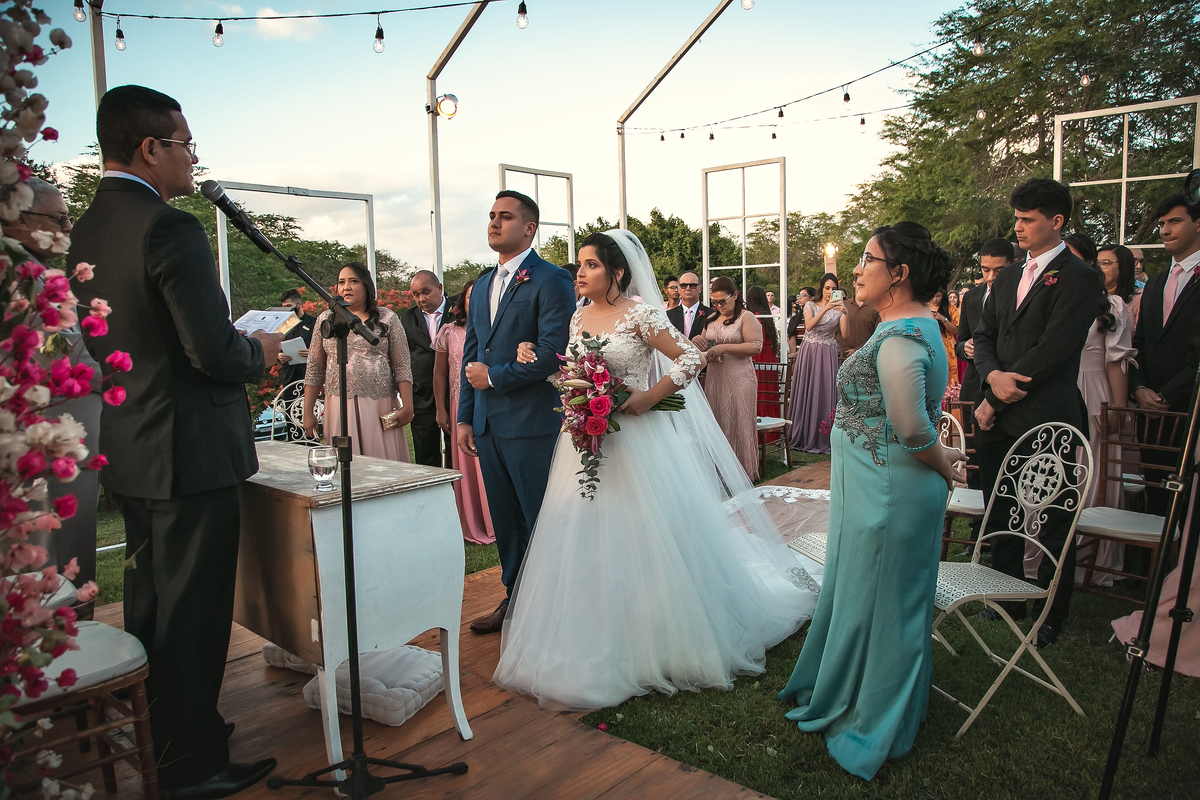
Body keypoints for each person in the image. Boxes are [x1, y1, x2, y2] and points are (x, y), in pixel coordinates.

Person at [496, 230, 817, 711]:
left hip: (636, 439)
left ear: (617, 272)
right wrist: (538, 362)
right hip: (584, 438)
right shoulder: (579, 315)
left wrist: (650, 394)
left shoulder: (640, 314)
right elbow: (569, 370)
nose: (580, 272)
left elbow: (690, 356)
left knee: (641, 529)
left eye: (590, 265)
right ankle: (591, 624)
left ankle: (657, 629)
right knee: (581, 525)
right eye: (579, 265)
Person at [68, 85, 281, 798]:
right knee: (193, 617)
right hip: (190, 454)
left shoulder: (86, 227)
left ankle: (168, 742)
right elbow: (213, 354)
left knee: (151, 610)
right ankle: (193, 768)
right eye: (187, 143)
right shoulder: (169, 228)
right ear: (151, 148)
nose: (194, 158)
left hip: (130, 448)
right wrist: (263, 353)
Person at [779, 222, 963, 781]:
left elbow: (911, 426)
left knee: (887, 606)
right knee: (864, 594)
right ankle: (854, 688)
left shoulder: (904, 334)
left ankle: (879, 719)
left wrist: (946, 464)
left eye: (868, 260)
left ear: (899, 274)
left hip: (891, 494)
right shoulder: (902, 326)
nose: (856, 270)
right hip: (872, 487)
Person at [972, 177, 1102, 649]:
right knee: (1000, 510)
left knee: (1052, 517)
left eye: (1028, 220)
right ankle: (1006, 600)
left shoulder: (1082, 279)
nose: (1019, 227)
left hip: (1049, 414)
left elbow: (1055, 348)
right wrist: (990, 377)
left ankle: (1050, 609)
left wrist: (997, 393)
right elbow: (984, 336)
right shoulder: (1007, 277)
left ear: (1057, 221)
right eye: (1018, 219)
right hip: (999, 415)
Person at [458, 190, 575, 635]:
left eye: (505, 217)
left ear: (530, 228)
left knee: (540, 516)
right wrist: (467, 415)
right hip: (488, 424)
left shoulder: (550, 280)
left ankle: (556, 603)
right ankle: (516, 598)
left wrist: (497, 378)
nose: (494, 223)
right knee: (505, 520)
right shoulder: (483, 284)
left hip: (532, 422)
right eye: (491, 216)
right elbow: (472, 353)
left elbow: (553, 352)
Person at [3, 178, 103, 597]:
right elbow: (67, 365)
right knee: (59, 557)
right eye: (57, 217)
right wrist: (127, 369)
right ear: (15, 217)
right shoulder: (31, 279)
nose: (67, 226)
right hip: (53, 441)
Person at [1128, 193, 1200, 516]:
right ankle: (1154, 564)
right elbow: (1140, 343)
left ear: (1198, 225)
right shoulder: (1154, 284)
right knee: (1156, 498)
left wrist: (1167, 394)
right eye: (1161, 224)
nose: (1165, 230)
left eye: (1175, 221)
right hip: (1150, 414)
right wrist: (1140, 389)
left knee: (1188, 503)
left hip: (1189, 409)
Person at [302, 263, 415, 460]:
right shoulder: (325, 320)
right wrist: (308, 411)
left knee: (380, 463)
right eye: (341, 282)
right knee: (344, 463)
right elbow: (314, 368)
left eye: (353, 281)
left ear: (366, 286)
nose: (346, 287)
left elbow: (402, 365)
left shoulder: (388, 319)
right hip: (338, 405)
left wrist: (407, 406)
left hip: (379, 404)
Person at [1072, 248, 1136, 586]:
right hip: (1062, 388)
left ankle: (1092, 561)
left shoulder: (1111, 305)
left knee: (1094, 468)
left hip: (1095, 391)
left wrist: (1118, 411)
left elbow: (1116, 362)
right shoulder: (1064, 300)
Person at [433, 278, 495, 545]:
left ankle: (495, 520)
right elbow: (439, 372)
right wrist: (441, 409)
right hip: (459, 403)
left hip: (489, 400)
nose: (475, 301)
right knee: (465, 462)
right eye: (470, 296)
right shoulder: (449, 331)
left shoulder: (494, 329)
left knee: (487, 462)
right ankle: (470, 521)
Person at [693, 278, 765, 481]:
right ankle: (718, 472)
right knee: (716, 421)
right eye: (714, 302)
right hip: (716, 377)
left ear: (735, 295)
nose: (719, 306)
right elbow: (707, 349)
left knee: (739, 421)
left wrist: (723, 348)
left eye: (722, 301)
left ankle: (744, 471)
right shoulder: (710, 319)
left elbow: (755, 346)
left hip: (740, 377)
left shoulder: (746, 317)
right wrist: (697, 341)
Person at [788, 274, 847, 454]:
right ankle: (803, 434)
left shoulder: (839, 309)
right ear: (821, 288)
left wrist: (845, 313)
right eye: (827, 288)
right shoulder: (810, 305)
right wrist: (825, 308)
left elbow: (845, 335)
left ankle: (824, 434)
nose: (830, 292)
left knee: (825, 390)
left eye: (833, 288)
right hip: (809, 351)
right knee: (807, 389)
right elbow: (809, 326)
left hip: (827, 352)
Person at [401, 269, 451, 468]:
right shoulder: (407, 318)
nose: (421, 299)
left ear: (439, 288)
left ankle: (456, 494)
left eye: (426, 292)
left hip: (453, 393)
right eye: (415, 294)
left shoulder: (458, 312)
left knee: (455, 451)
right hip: (421, 394)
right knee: (425, 454)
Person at [276, 288, 316, 440]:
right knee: (292, 424)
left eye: (288, 307)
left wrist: (312, 353)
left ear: (299, 304)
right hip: (290, 379)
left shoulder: (314, 323)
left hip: (309, 378)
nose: (285, 310)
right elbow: (276, 348)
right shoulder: (284, 326)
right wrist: (279, 356)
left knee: (313, 418)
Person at [834, 286, 881, 359]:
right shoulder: (844, 305)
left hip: (867, 356)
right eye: (859, 283)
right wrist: (846, 349)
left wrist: (856, 350)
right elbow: (836, 331)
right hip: (845, 357)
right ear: (854, 284)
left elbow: (877, 333)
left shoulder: (875, 307)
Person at [665, 271, 713, 339]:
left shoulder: (711, 315)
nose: (688, 288)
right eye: (683, 285)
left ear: (700, 288)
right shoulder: (668, 316)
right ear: (678, 289)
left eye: (693, 285)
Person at [928, 289, 959, 384]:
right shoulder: (923, 308)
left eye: (938, 296)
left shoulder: (951, 309)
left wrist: (943, 319)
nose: (935, 299)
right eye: (933, 296)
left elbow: (956, 330)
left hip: (946, 346)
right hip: (928, 343)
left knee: (947, 375)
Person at [786, 286, 816, 359]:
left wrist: (799, 353)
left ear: (812, 298)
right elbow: (791, 337)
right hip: (797, 356)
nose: (800, 298)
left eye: (803, 295)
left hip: (813, 353)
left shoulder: (816, 317)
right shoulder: (795, 319)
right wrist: (794, 354)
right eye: (799, 296)